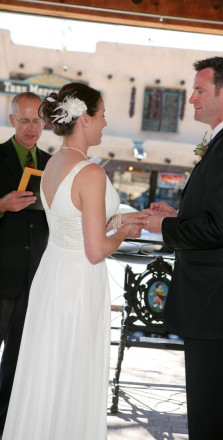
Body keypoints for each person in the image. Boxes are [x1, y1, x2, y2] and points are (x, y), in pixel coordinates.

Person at [2, 82, 148, 440]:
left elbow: (73, 219)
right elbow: (96, 250)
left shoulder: (52, 165)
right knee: (72, 374)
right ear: (84, 118)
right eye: (102, 115)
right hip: (78, 284)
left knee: (46, 372)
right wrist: (123, 234)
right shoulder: (91, 172)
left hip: (51, 276)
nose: (105, 123)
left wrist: (117, 222)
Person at [144, 56, 223, 440]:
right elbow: (221, 218)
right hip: (216, 307)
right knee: (209, 414)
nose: (192, 99)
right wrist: (177, 217)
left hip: (218, 307)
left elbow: (220, 229)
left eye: (199, 90)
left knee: (213, 419)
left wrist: (163, 227)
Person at [0, 92, 50, 436]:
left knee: (16, 364)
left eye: (37, 120)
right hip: (0, 276)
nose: (31, 128)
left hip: (36, 282)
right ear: (11, 120)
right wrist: (1, 204)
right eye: (25, 120)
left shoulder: (53, 163)